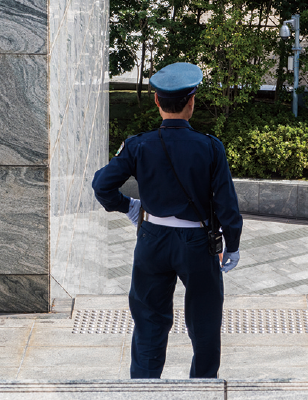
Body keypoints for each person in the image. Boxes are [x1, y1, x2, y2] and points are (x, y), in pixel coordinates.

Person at [92, 62, 243, 379]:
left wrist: (129, 206)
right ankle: (201, 390)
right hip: (198, 246)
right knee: (204, 325)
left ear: (157, 102)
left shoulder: (138, 145)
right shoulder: (210, 148)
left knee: (149, 323)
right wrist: (232, 245)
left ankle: (144, 392)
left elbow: (102, 185)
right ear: (191, 102)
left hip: (152, 241)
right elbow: (227, 204)